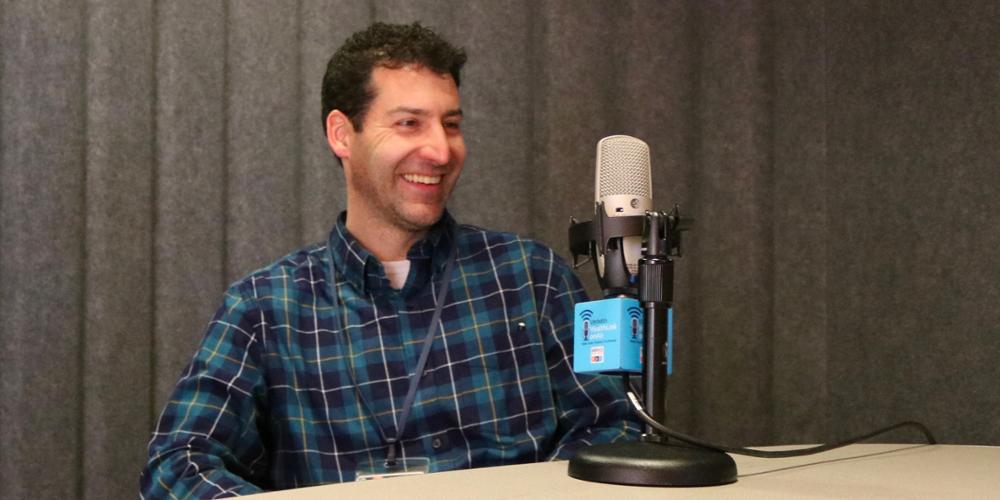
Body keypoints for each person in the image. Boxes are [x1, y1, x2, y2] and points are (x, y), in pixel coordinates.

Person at [140, 21, 638, 497]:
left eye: (451, 124)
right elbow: (178, 465)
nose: (441, 151)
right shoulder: (265, 309)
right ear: (341, 134)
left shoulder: (530, 278)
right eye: (408, 124)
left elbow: (612, 427)